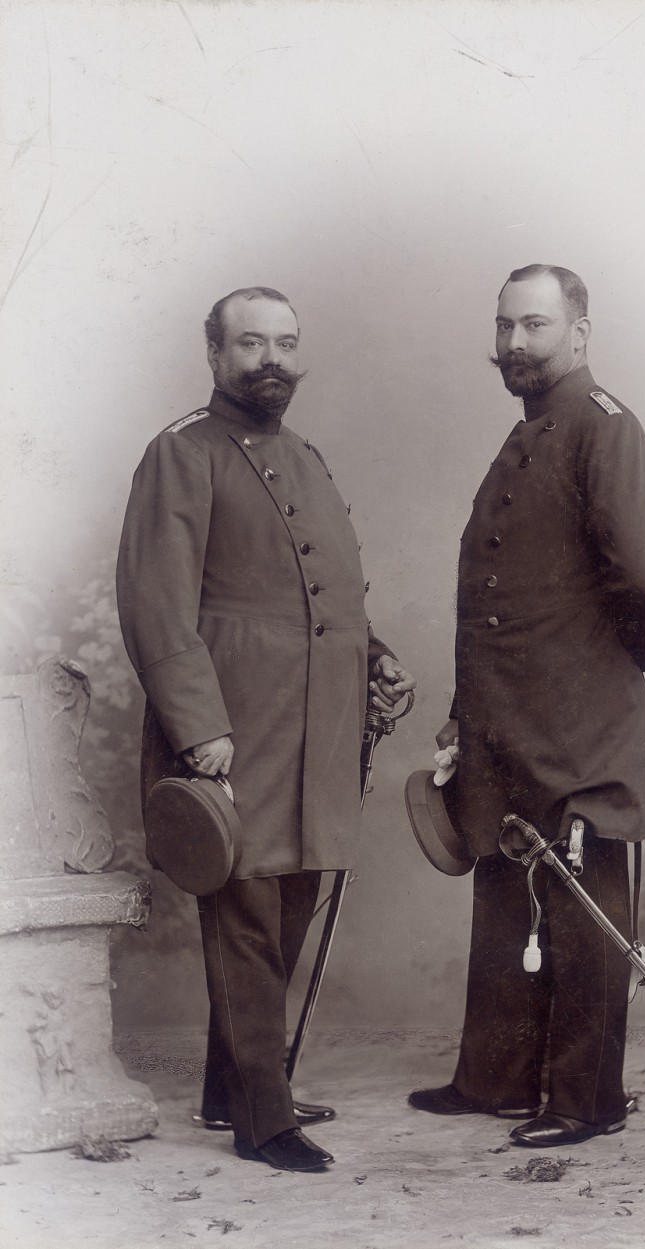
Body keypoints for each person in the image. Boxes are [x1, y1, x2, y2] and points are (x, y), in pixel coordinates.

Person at [117, 286, 414, 1172]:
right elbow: (155, 604)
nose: (271, 360)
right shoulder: (181, 453)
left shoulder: (307, 458)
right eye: (251, 344)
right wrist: (198, 726)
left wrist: (375, 659)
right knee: (244, 911)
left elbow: (322, 597)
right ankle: (262, 1115)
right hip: (236, 726)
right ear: (214, 354)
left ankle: (228, 1085)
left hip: (314, 727)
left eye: (286, 343)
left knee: (287, 903)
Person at [409, 264, 645, 1148]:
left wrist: (609, 670)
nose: (515, 344)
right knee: (506, 891)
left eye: (534, 325)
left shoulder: (607, 430)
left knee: (582, 907)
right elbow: (500, 595)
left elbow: (642, 580)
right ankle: (495, 1079)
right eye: (504, 327)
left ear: (580, 332)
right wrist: (464, 711)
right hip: (506, 723)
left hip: (579, 726)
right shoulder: (526, 435)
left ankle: (585, 1099)